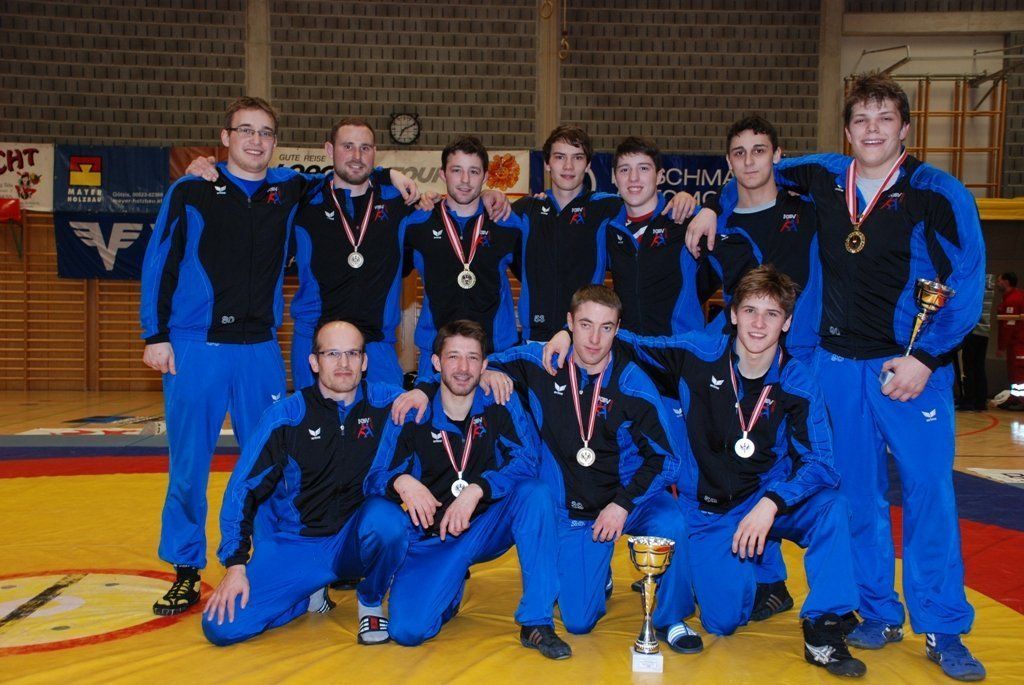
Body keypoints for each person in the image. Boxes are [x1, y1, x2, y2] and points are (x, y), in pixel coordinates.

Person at [687, 72, 986, 681]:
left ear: (905, 128)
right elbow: (752, 171)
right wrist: (710, 206)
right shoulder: (823, 175)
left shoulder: (939, 192)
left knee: (929, 492)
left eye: (884, 119)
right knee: (856, 496)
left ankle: (943, 626)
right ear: (846, 131)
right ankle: (878, 611)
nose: (872, 130)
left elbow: (969, 280)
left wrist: (927, 358)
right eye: (861, 120)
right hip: (838, 367)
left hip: (908, 368)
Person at [543, 267, 865, 677]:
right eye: (749, 311)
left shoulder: (798, 380)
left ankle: (825, 626)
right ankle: (752, 580)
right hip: (712, 511)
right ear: (732, 314)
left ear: (787, 322)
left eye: (771, 314)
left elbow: (820, 462)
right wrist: (566, 333)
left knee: (832, 505)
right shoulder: (698, 353)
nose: (758, 324)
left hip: (768, 500)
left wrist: (771, 503)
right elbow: (628, 341)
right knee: (721, 622)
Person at [141, 96, 310, 615]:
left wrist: (397, 175)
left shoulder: (288, 189)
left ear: (275, 142)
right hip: (197, 347)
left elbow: (350, 177)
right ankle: (186, 568)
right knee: (189, 464)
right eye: (245, 131)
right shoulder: (192, 189)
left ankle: (268, 562)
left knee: (272, 461)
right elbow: (160, 260)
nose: (255, 141)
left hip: (260, 349)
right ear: (225, 137)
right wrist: (155, 334)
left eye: (265, 132)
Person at [487, 285, 702, 653]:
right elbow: (470, 365)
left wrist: (623, 504)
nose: (594, 339)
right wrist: (488, 372)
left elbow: (667, 459)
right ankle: (599, 574)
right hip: (579, 512)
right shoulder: (541, 362)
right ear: (569, 323)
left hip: (631, 500)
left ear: (617, 330)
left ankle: (671, 618)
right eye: (585, 325)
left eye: (606, 328)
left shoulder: (633, 384)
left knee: (672, 523)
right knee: (578, 621)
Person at [366, 320, 570, 659]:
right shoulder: (413, 411)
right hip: (435, 537)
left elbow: (527, 460)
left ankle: (537, 621)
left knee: (535, 493)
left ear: (484, 364)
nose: (463, 368)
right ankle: (450, 587)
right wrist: (401, 482)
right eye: (453, 357)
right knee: (408, 631)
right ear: (436, 363)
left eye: (473, 358)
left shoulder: (499, 400)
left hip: (487, 525)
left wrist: (478, 489)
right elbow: (374, 478)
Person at [201, 320, 410, 645]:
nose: (344, 363)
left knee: (390, 522)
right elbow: (243, 489)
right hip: (301, 544)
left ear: (364, 361)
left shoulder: (389, 403)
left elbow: (448, 398)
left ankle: (370, 603)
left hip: (356, 541)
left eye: (353, 353)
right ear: (314, 362)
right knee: (220, 626)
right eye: (332, 354)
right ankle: (308, 591)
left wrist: (433, 390)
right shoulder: (286, 416)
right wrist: (236, 564)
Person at [514, 126, 695, 342]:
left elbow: (645, 201)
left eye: (578, 157)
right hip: (534, 336)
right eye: (560, 157)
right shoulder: (527, 209)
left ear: (588, 165)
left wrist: (684, 199)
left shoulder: (607, 207)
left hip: (586, 338)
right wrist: (489, 195)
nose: (568, 166)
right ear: (546, 163)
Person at [400, 136, 524, 381]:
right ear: (443, 174)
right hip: (436, 356)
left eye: (474, 171)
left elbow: (537, 281)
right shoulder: (417, 224)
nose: (465, 180)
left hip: (495, 354)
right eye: (457, 170)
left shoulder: (507, 223)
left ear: (485, 176)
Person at [996, 272, 1024, 410]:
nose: (997, 284)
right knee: (1014, 372)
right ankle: (1015, 397)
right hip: (1016, 343)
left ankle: (1021, 400)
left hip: (1019, 343)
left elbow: (1008, 326)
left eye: (999, 281)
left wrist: (1001, 347)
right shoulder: (1014, 297)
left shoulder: (1013, 300)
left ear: (1006, 282)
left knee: (1018, 373)